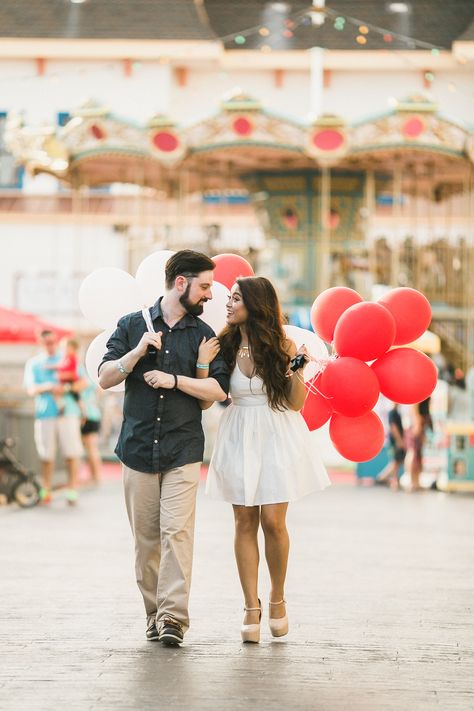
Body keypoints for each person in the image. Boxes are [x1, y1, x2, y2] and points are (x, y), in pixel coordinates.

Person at [98, 250, 230, 646]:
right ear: (180, 283)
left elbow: (216, 392)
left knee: (178, 533)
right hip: (137, 449)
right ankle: (154, 613)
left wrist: (175, 380)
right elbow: (104, 378)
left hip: (183, 449)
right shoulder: (130, 324)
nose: (209, 295)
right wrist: (137, 352)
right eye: (204, 286)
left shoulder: (205, 336)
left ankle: (173, 618)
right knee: (146, 541)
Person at [205, 276, 330, 643]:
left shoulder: (282, 344)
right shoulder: (223, 345)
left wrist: (297, 370)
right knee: (244, 520)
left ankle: (277, 598)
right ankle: (250, 606)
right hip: (238, 431)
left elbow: (295, 402)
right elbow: (214, 391)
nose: (229, 304)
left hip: (277, 432)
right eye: (228, 297)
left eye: (236, 298)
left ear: (256, 304)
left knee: (273, 522)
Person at [24, 329, 84, 505]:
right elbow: (31, 389)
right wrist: (49, 386)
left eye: (52, 341)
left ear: (56, 341)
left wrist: (65, 389)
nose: (50, 345)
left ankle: (72, 489)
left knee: (71, 453)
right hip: (45, 414)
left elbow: (82, 383)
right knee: (46, 455)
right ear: (40, 343)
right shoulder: (34, 364)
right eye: (46, 342)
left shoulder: (67, 357)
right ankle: (46, 490)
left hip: (68, 413)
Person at [376, 403, 406, 490]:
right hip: (395, 442)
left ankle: (389, 479)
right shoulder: (392, 413)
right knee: (395, 462)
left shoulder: (396, 413)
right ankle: (384, 478)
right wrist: (399, 441)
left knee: (397, 462)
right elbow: (393, 428)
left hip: (396, 441)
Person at [406, 397, 433, 491]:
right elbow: (414, 405)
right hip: (416, 423)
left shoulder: (427, 389)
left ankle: (416, 481)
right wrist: (416, 422)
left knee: (418, 453)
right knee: (412, 452)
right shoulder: (420, 389)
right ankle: (410, 481)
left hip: (421, 422)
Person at [80, 376, 103, 485]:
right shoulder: (93, 380)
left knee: (91, 448)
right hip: (94, 414)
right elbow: (100, 392)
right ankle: (95, 475)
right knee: (92, 448)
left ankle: (96, 476)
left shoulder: (84, 380)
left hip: (87, 416)